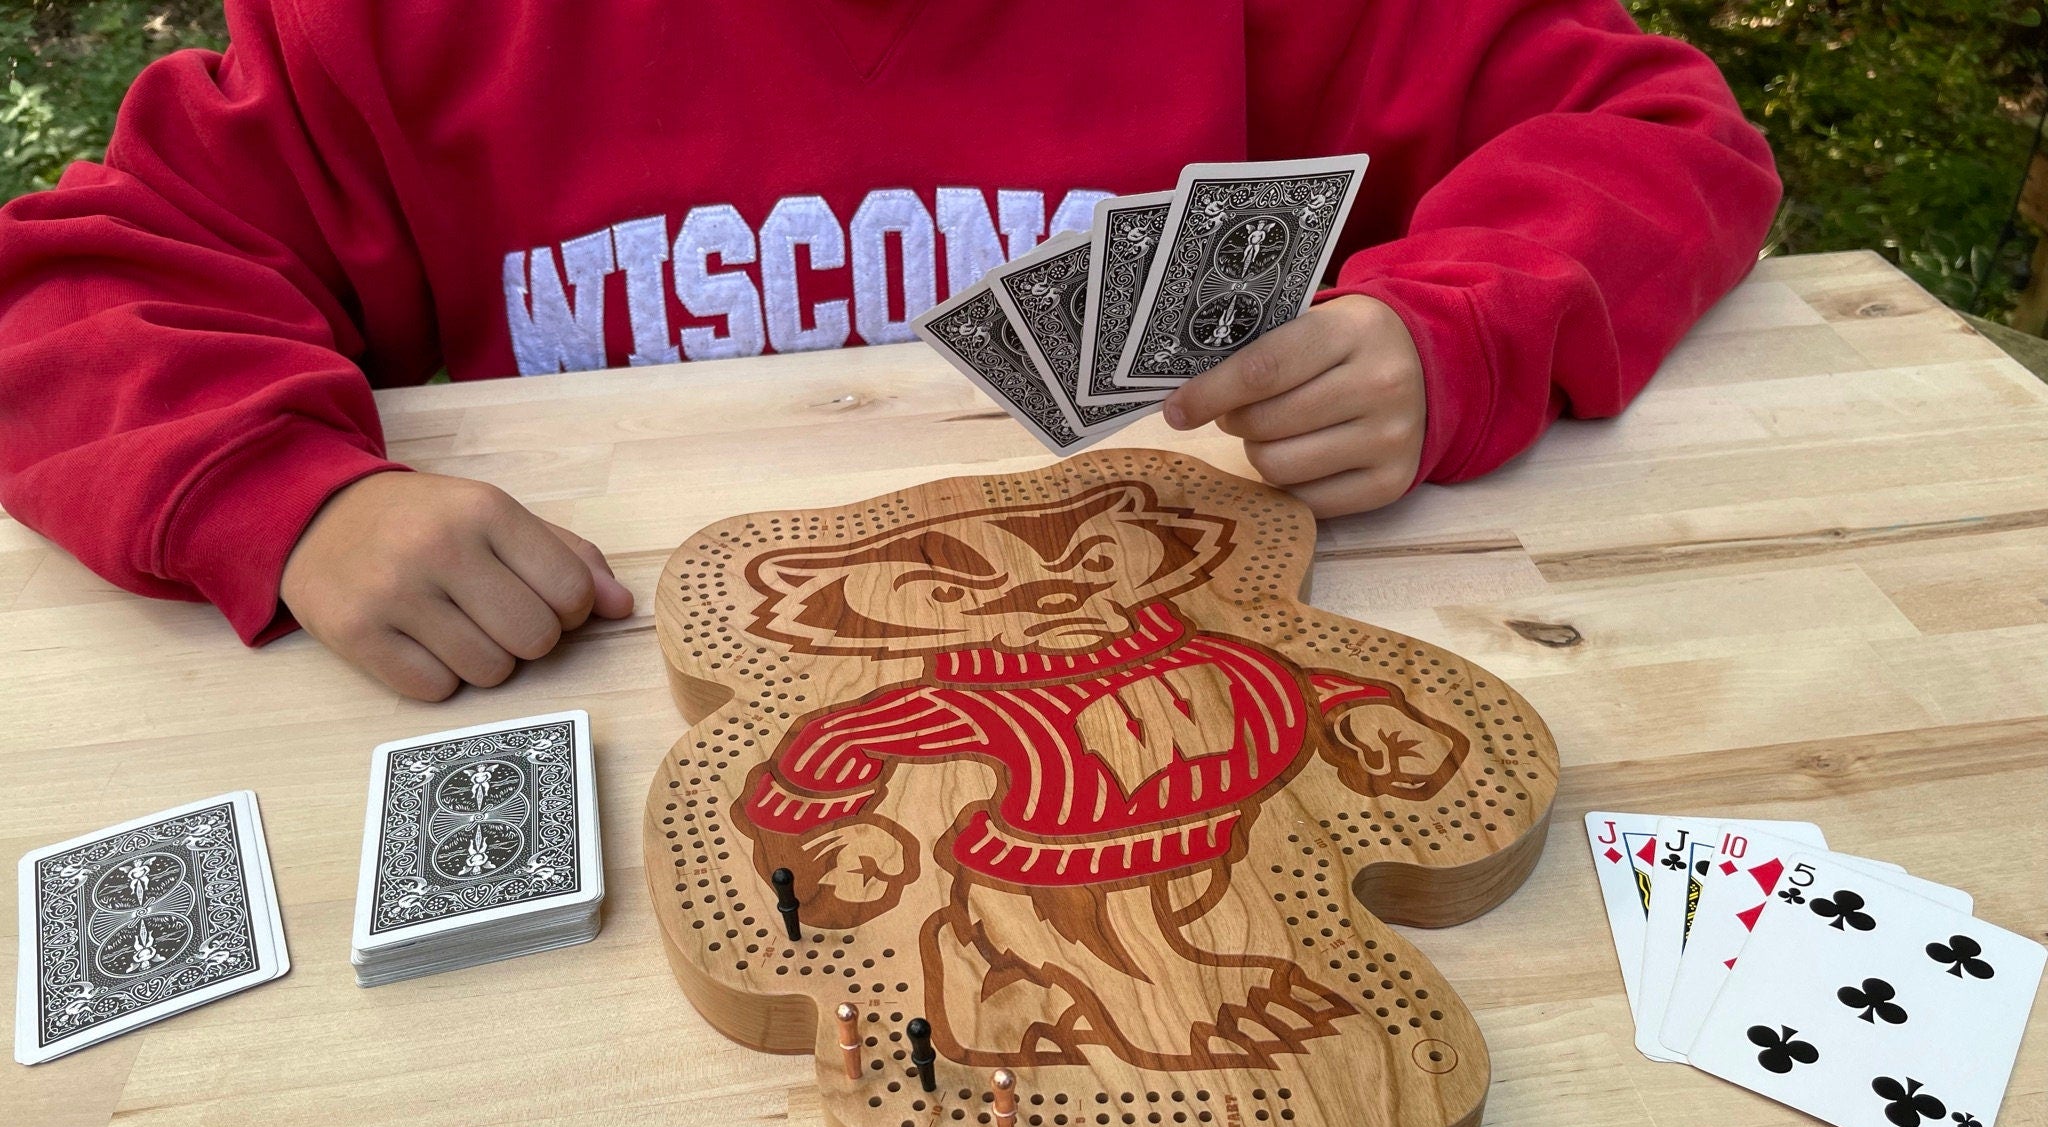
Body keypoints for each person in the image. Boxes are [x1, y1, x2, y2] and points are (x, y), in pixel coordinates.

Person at [0, 0, 1778, 700]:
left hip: (1166, 726)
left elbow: (1659, 131)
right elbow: (72, 290)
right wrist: (287, 499)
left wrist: (1448, 326)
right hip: (626, 786)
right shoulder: (405, 33)